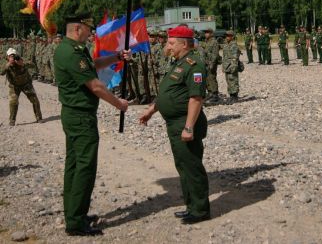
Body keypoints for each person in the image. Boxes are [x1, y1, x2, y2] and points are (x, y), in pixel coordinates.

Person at [54, 13, 130, 236]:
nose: (91, 33)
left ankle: (74, 213)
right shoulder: (71, 52)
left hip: (75, 115)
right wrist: (119, 104)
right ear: (78, 29)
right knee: (84, 167)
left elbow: (92, 66)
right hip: (80, 117)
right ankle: (76, 223)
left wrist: (116, 57)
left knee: (75, 165)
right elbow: (95, 86)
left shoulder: (72, 49)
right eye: (89, 28)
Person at [139, 25, 210, 224]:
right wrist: (152, 110)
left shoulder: (194, 64)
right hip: (175, 123)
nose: (168, 46)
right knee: (183, 166)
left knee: (192, 166)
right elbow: (170, 92)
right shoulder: (178, 63)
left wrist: (188, 127)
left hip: (185, 123)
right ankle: (191, 206)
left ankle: (200, 210)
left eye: (171, 43)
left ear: (184, 44)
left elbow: (196, 98)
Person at [1, 47, 43, 126]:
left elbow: (33, 65)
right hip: (14, 86)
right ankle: (12, 120)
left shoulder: (20, 59)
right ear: (7, 57)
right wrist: (8, 64)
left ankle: (39, 118)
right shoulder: (5, 63)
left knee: (35, 100)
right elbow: (1, 72)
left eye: (14, 55)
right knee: (13, 102)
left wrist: (23, 64)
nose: (13, 58)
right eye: (11, 56)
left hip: (26, 84)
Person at [202, 28, 221, 103]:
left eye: (207, 32)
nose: (205, 34)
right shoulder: (207, 41)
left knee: (212, 78)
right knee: (207, 78)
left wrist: (212, 64)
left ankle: (215, 94)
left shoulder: (214, 42)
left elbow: (215, 54)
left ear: (211, 34)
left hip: (211, 63)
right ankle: (210, 93)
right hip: (206, 63)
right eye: (205, 32)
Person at [222, 30, 241, 104]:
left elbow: (234, 58)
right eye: (226, 36)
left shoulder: (234, 45)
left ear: (232, 37)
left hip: (232, 66)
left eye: (228, 36)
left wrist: (233, 67)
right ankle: (231, 95)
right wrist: (223, 67)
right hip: (227, 66)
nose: (227, 37)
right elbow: (225, 56)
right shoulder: (226, 44)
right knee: (229, 81)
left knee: (233, 80)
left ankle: (235, 96)